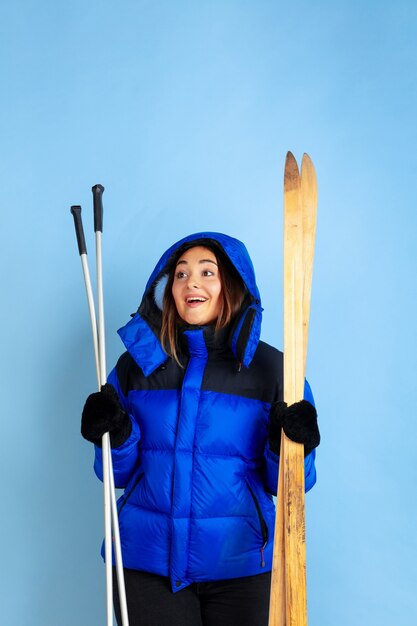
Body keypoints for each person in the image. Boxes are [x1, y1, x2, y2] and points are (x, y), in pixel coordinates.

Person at [81, 232, 320, 626]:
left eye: (207, 272)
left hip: (241, 565)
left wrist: (291, 444)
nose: (191, 282)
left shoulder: (276, 372)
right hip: (146, 563)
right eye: (180, 274)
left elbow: (289, 487)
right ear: (167, 289)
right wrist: (115, 435)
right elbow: (114, 475)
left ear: (232, 284)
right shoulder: (137, 365)